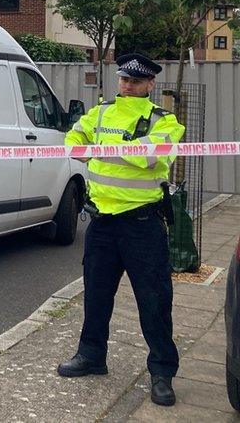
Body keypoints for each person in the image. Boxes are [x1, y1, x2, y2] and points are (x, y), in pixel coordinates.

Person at [57, 53, 185, 407]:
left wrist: (101, 151)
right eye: (124, 79)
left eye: (135, 81)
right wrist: (103, 150)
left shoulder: (164, 119)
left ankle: (162, 372)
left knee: (154, 301)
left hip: (142, 224)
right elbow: (73, 139)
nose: (127, 85)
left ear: (150, 85)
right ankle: (91, 356)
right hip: (102, 222)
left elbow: (152, 156)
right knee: (96, 295)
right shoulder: (99, 112)